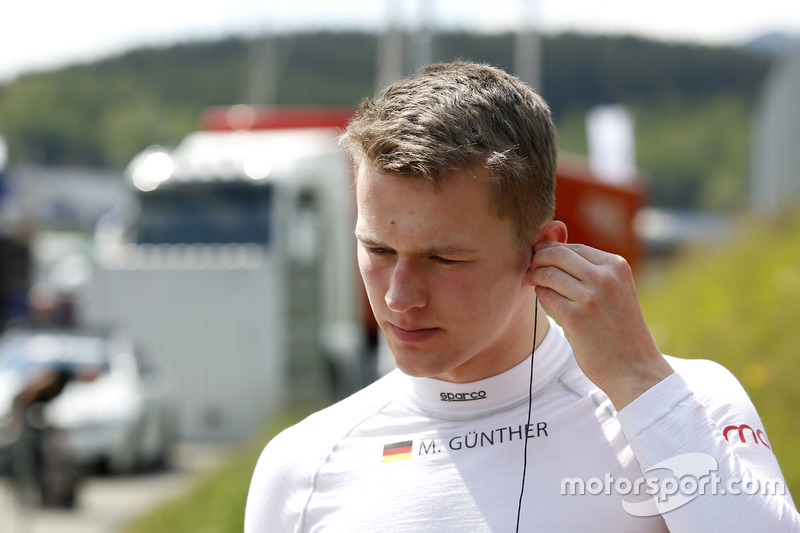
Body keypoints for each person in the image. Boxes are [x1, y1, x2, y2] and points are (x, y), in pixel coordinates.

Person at [245, 61, 799, 531]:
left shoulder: (684, 401)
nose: (399, 297)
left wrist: (638, 382)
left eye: (444, 258)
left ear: (544, 251)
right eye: (378, 249)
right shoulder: (301, 466)